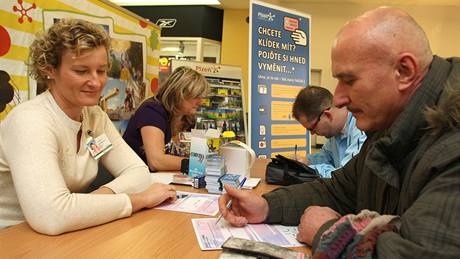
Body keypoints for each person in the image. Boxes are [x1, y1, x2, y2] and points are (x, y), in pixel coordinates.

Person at [218, 6, 460, 258]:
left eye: (350, 80)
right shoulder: (389, 123)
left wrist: (327, 234)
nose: (339, 98)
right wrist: (267, 206)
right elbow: (339, 190)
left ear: (404, 71)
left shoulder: (452, 144)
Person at [0, 19, 178, 235]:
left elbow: (138, 172)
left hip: (69, 230)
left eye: (102, 71)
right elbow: (51, 216)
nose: (96, 82)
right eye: (82, 71)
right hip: (13, 236)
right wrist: (138, 200)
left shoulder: (94, 117)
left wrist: (88, 203)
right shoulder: (30, 120)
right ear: (49, 70)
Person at [123, 66, 209, 171]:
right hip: (132, 176)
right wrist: (199, 164)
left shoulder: (187, 118)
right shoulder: (151, 111)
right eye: (196, 96)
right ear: (179, 93)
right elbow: (156, 161)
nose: (201, 102)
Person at [292, 86, 366, 178]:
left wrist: (310, 169)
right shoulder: (335, 132)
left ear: (327, 115)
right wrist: (304, 162)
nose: (312, 133)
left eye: (312, 128)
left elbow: (345, 176)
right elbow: (324, 157)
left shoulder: (362, 128)